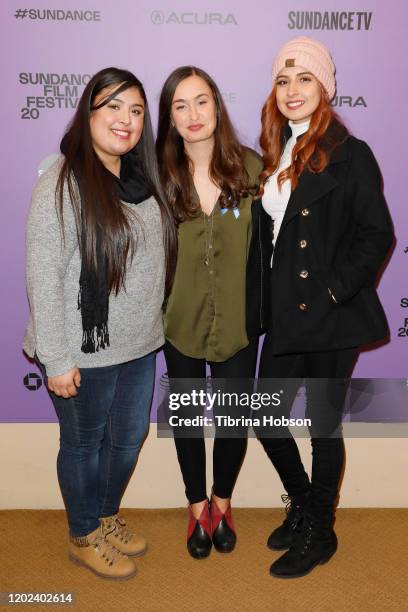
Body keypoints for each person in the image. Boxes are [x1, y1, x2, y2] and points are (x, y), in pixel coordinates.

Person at [23, 67, 176, 580]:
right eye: (113, 107)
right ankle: (83, 532)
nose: (126, 120)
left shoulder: (140, 181)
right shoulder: (62, 186)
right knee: (84, 445)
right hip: (83, 350)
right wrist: (57, 359)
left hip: (137, 345)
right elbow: (43, 280)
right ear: (88, 112)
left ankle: (105, 516)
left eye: (135, 110)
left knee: (128, 440)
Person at [256, 37, 394, 578]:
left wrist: (335, 292)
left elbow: (376, 233)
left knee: (323, 428)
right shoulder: (276, 151)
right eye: (283, 81)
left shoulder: (350, 153)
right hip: (287, 314)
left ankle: (319, 532)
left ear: (325, 87)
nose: (292, 91)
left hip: (331, 316)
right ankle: (307, 507)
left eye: (305, 79)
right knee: (264, 419)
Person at [156, 66, 271, 559]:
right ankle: (195, 506)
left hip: (238, 326)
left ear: (217, 106)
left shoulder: (251, 169)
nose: (193, 114)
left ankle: (222, 503)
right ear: (170, 118)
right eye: (180, 106)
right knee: (186, 421)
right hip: (178, 324)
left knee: (230, 421)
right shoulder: (156, 177)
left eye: (201, 101)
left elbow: (272, 250)